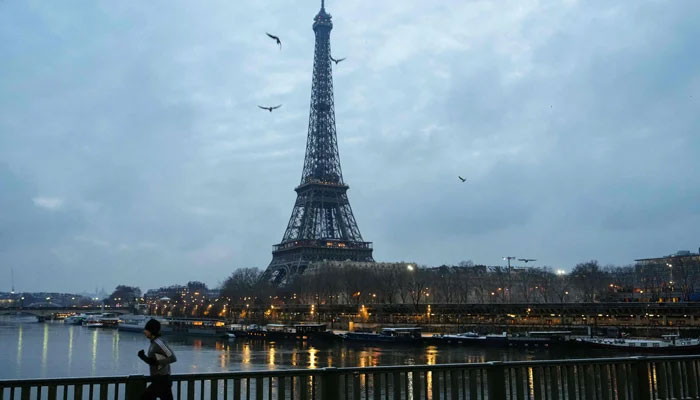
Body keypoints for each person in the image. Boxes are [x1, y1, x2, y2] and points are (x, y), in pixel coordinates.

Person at [137, 319, 177, 400]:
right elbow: (153, 362)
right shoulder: (154, 343)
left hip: (162, 381)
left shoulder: (159, 343)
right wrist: (143, 357)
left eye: (146, 329)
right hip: (159, 380)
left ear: (152, 331)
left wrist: (157, 362)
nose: (144, 331)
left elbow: (173, 358)